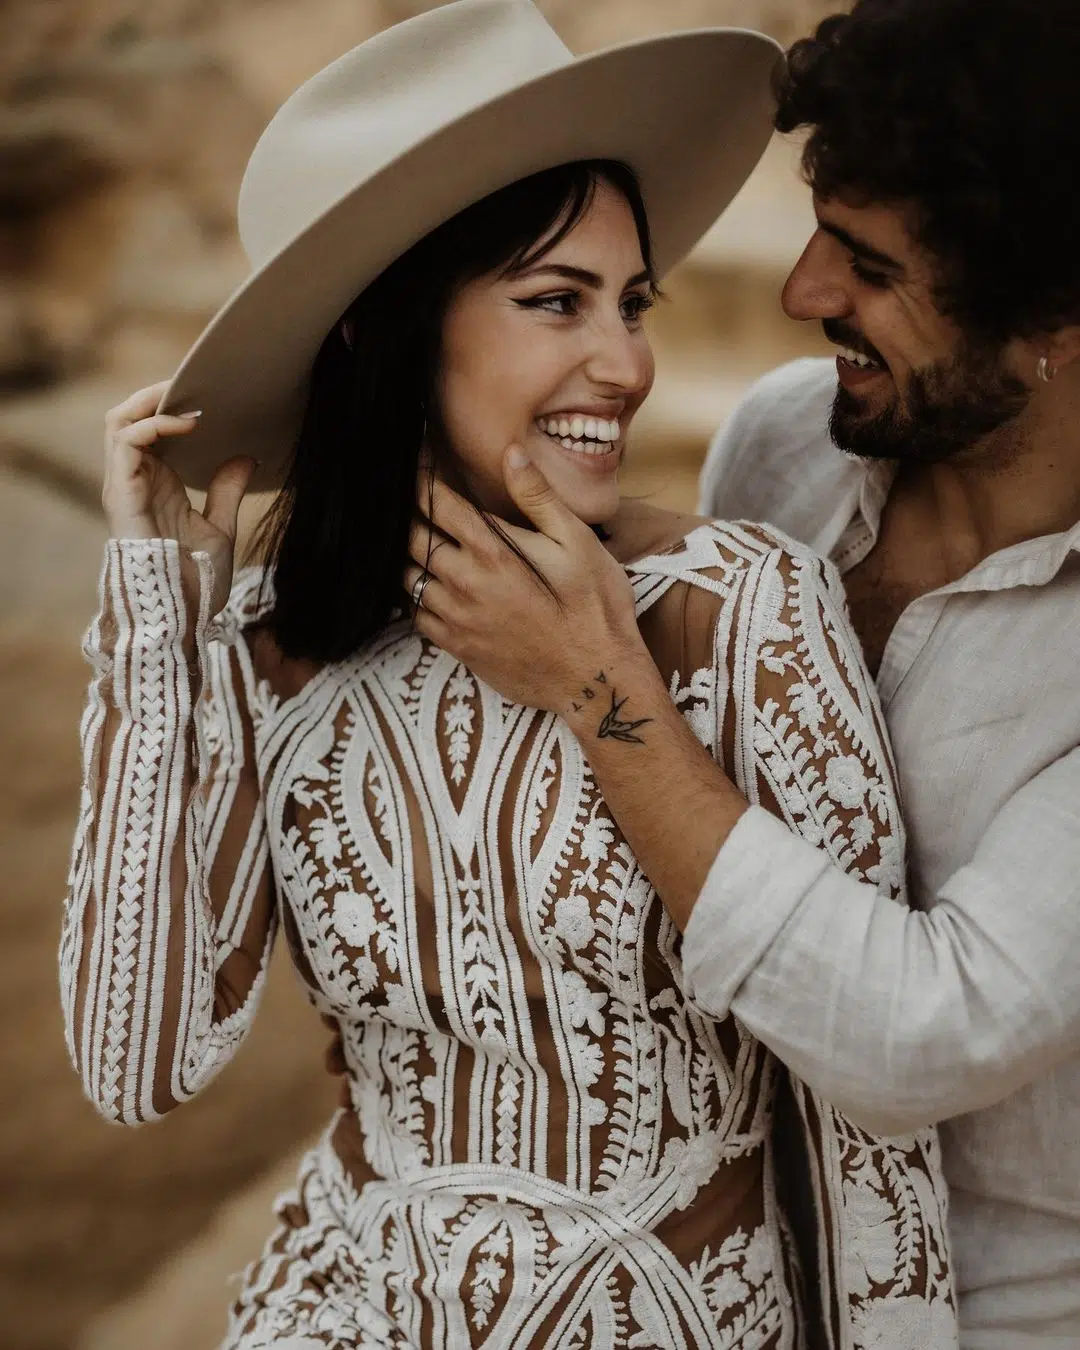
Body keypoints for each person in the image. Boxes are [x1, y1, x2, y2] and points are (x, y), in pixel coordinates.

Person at [60, 2, 954, 1347]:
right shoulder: (275, 645)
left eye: (632, 303)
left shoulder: (741, 608)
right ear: (389, 325)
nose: (628, 362)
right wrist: (159, 614)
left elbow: (868, 1119)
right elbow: (140, 1066)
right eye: (556, 301)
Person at [404, 0, 1080, 1346]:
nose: (802, 292)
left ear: (1052, 321)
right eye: (819, 228)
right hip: (712, 1286)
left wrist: (601, 690)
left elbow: (922, 1034)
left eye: (871, 267)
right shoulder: (789, 443)